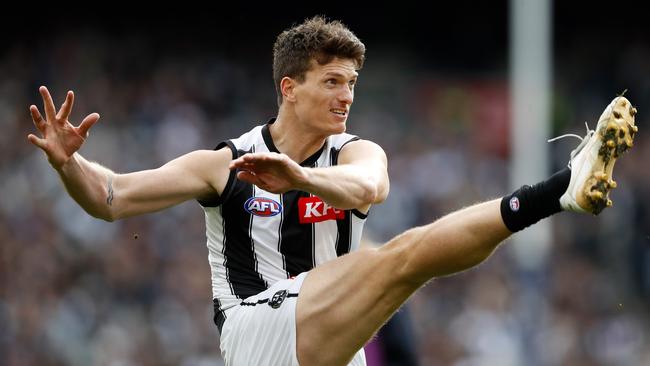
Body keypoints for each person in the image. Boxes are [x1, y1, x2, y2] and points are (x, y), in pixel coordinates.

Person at [27, 16, 638, 366]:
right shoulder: (226, 163)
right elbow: (111, 197)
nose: (347, 96)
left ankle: (563, 191)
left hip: (332, 347)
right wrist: (66, 166)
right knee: (404, 259)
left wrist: (302, 178)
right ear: (289, 87)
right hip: (256, 337)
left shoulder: (354, 152)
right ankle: (560, 190)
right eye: (332, 81)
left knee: (406, 259)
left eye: (352, 83)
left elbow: (370, 185)